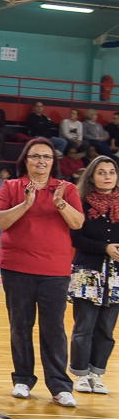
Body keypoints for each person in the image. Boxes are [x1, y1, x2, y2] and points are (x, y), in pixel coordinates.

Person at [0, 138, 84, 406]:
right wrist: (25, 204)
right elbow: (0, 221)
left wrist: (60, 204)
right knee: (20, 325)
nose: (41, 161)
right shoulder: (12, 186)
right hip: (16, 267)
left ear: (53, 162)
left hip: (55, 270)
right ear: (26, 160)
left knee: (53, 329)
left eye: (47, 157)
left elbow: (77, 223)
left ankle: (59, 385)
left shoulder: (66, 189)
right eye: (35, 156)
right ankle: (22, 379)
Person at [69, 155, 119, 396]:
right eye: (101, 172)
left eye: (111, 172)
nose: (107, 176)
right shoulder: (81, 203)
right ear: (91, 176)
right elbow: (75, 238)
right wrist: (104, 248)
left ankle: (96, 374)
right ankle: (80, 374)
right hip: (87, 272)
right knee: (84, 326)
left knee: (106, 329)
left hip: (116, 276)